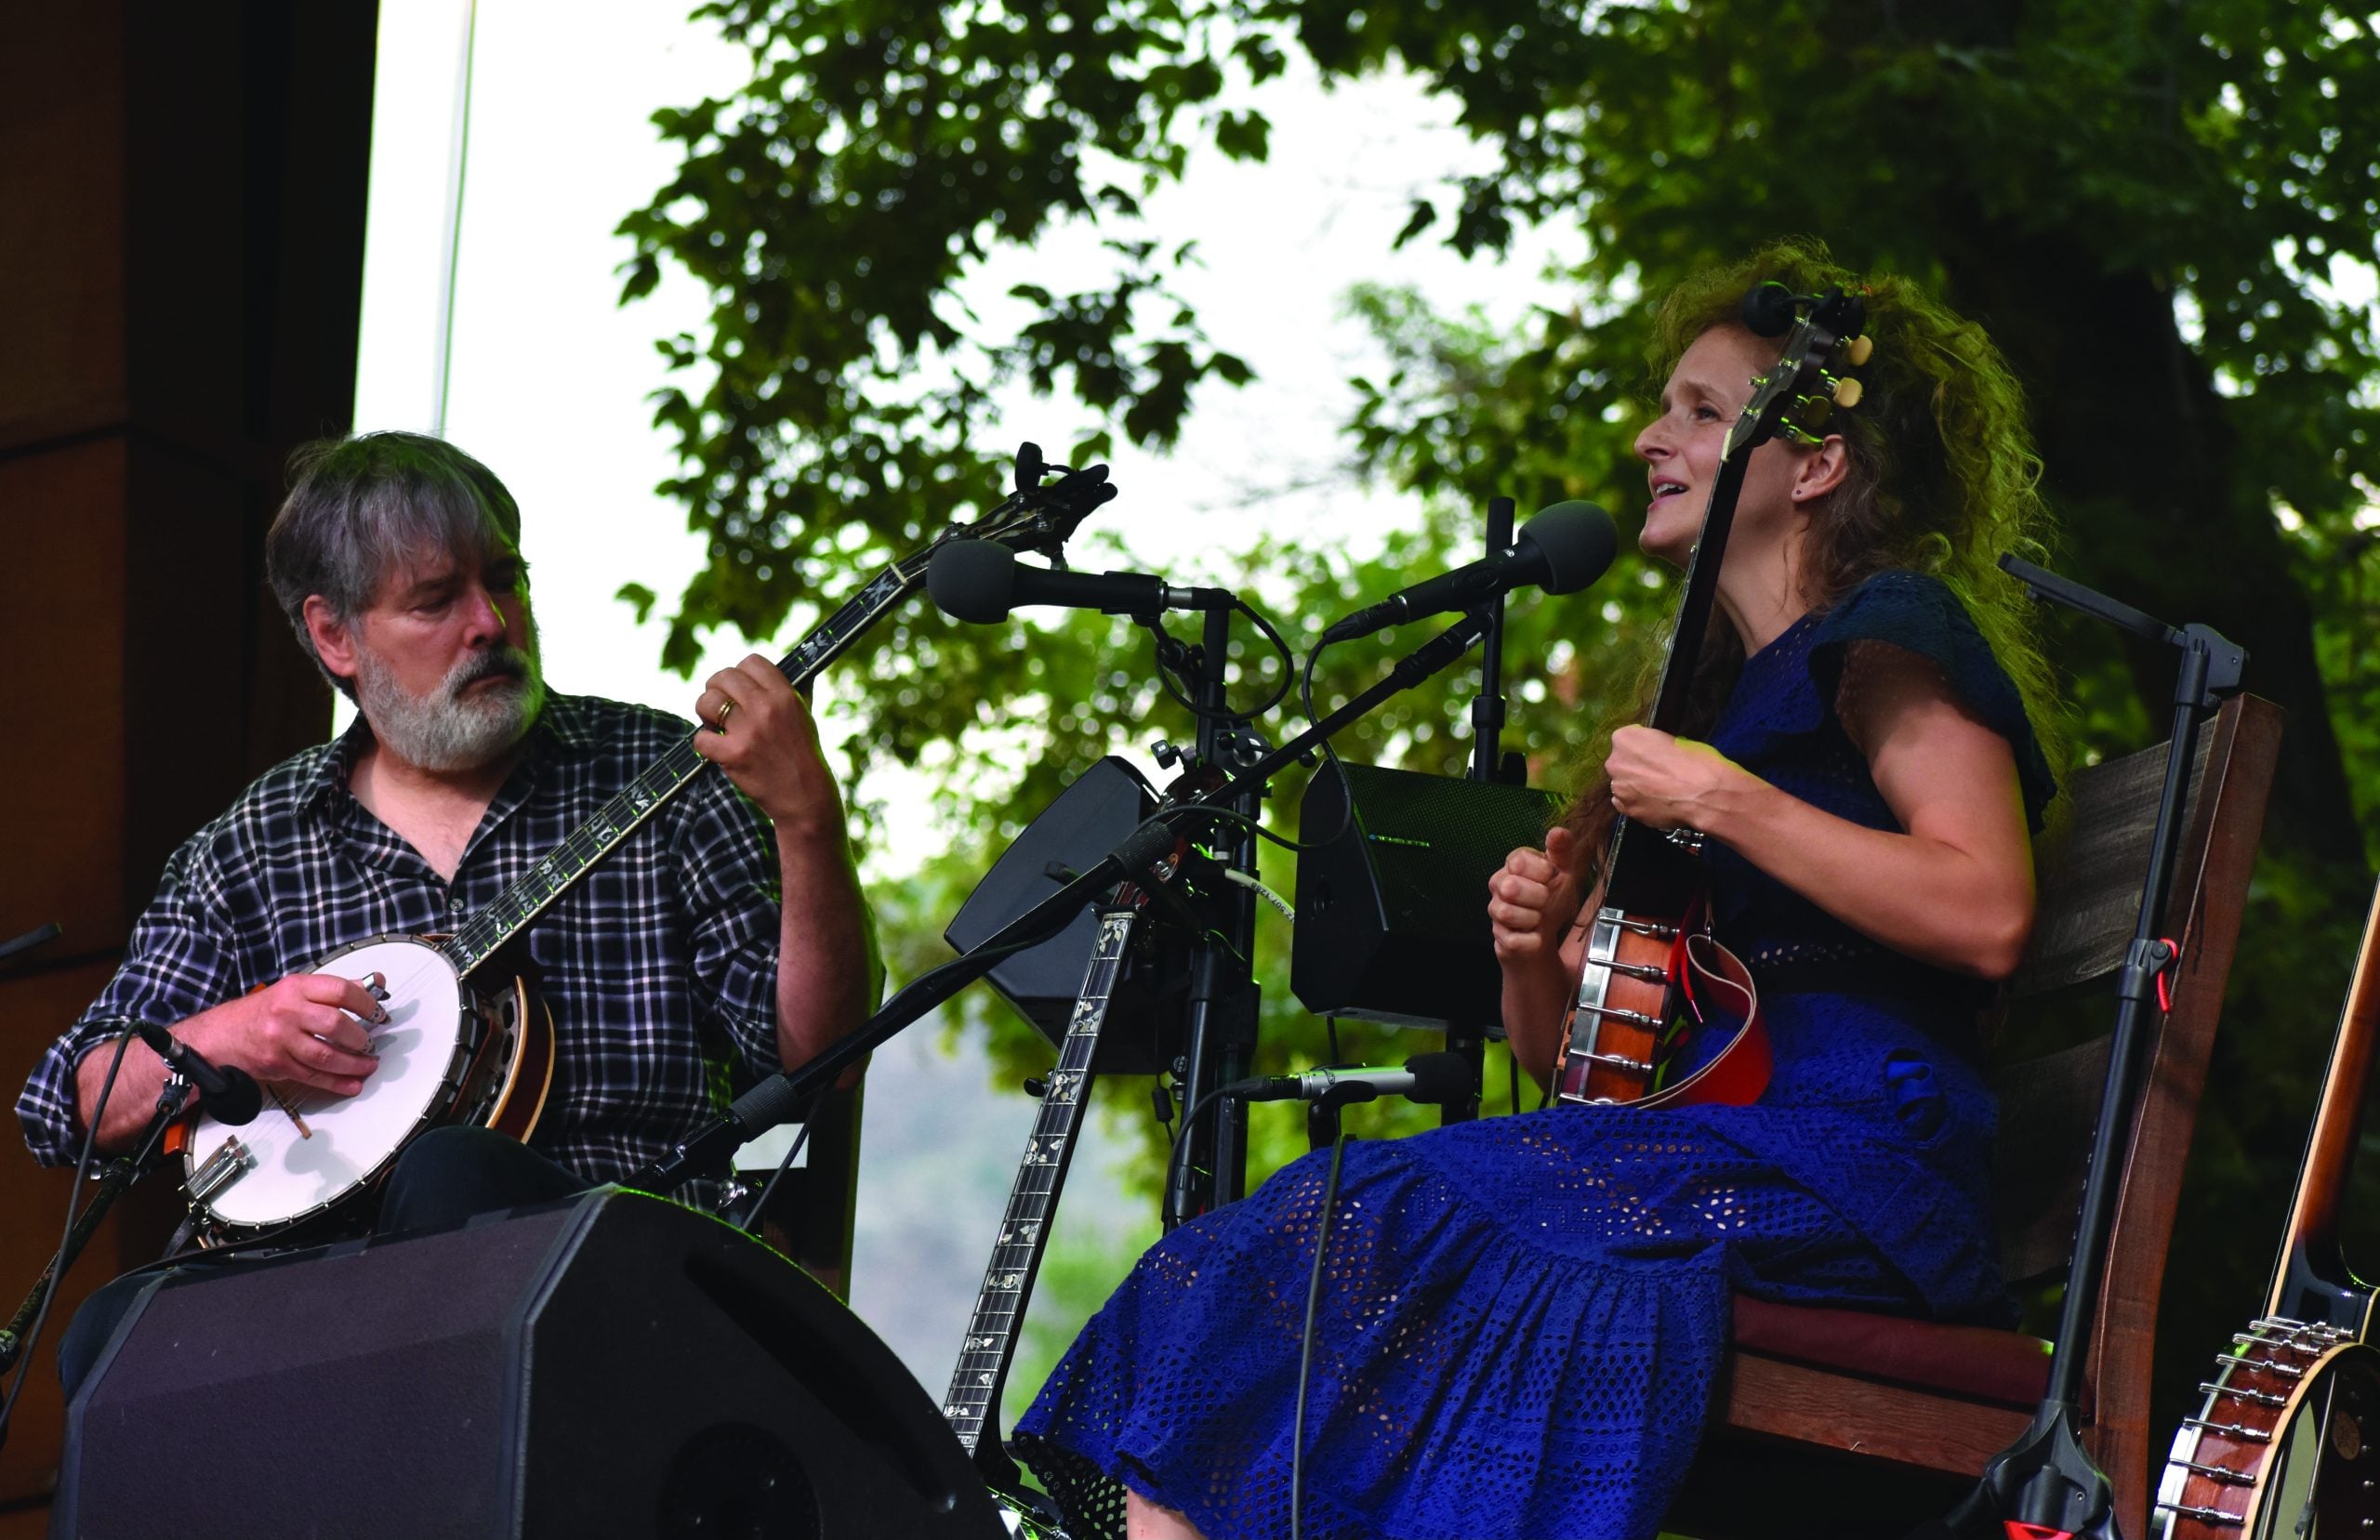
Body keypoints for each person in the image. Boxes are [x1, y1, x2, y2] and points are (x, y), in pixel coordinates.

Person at [1012, 241, 2065, 1540]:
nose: (1647, 438)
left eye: (1696, 410)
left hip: (1862, 1168)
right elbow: (1588, 1085)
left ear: (1816, 465)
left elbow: (1987, 911)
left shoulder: (1885, 629)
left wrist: (1722, 801)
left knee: (1390, 1216)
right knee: (1332, 1211)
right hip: (1726, 1157)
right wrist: (1532, 963)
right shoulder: (1713, 703)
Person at [16, 431, 878, 1382]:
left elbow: (820, 1063)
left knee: (449, 1175)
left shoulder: (662, 775)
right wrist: (239, 1032)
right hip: (321, 1310)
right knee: (113, 1338)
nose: (490, 621)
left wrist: (807, 822)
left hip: (622, 1290)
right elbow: (69, 1104)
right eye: (436, 599)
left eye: (505, 580)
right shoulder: (250, 849)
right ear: (334, 635)